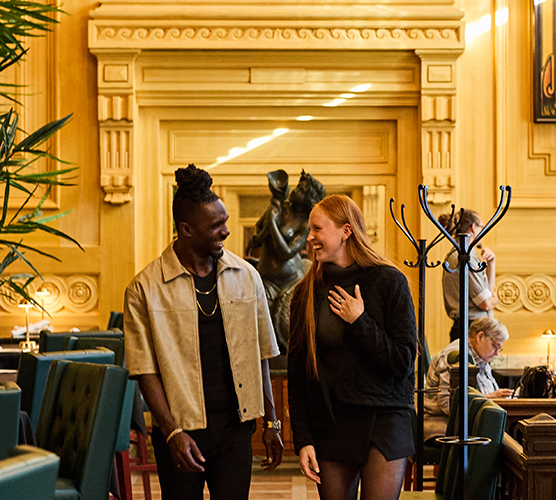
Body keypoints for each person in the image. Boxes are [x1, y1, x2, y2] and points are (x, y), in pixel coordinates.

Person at [122, 164, 283, 500]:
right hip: (181, 430)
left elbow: (262, 353)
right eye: (216, 226)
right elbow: (144, 371)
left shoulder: (247, 276)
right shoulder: (145, 288)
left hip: (236, 428)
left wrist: (272, 422)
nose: (226, 231)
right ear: (187, 229)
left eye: (224, 222)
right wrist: (171, 433)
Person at [287, 195, 417, 500]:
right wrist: (303, 439)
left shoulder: (389, 282)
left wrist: (359, 321)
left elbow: (403, 361)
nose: (310, 238)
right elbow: (297, 373)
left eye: (317, 228)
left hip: (384, 419)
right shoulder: (306, 293)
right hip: (331, 423)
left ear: (346, 231)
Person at [246, 170, 327, 369]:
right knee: (256, 324)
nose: (296, 190)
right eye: (298, 186)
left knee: (287, 326)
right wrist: (270, 216)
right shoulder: (281, 207)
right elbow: (258, 234)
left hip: (291, 281)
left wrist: (273, 224)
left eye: (302, 188)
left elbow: (286, 252)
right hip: (266, 278)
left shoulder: (306, 224)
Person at [423, 316, 513, 440]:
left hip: (470, 424)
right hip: (444, 427)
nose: (497, 353)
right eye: (495, 346)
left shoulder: (480, 357)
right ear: (480, 336)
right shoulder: (457, 356)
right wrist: (488, 398)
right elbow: (447, 404)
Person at [440, 209, 497, 341]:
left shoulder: (464, 254)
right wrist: (495, 300)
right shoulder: (464, 257)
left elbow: (488, 293)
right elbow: (486, 303)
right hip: (472, 329)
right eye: (482, 228)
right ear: (473, 227)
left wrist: (491, 263)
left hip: (470, 327)